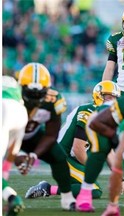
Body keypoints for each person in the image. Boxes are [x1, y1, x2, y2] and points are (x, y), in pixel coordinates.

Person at [24, 81, 121, 199]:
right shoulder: (89, 110)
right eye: (108, 98)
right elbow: (78, 148)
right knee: (94, 190)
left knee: (86, 183)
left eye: (114, 99)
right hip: (63, 157)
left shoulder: (106, 119)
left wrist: (121, 179)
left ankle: (66, 184)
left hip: (75, 159)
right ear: (98, 96)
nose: (112, 102)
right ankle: (47, 188)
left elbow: (109, 152)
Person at [14, 62, 76, 211]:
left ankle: (67, 198)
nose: (35, 98)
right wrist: (16, 153)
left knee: (59, 156)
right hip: (8, 133)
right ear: (20, 87)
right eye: (30, 93)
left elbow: (51, 134)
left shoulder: (53, 100)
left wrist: (34, 155)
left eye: (39, 93)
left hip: (32, 135)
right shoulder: (9, 97)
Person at [75, 92, 124, 212]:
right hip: (100, 122)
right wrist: (115, 137)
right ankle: (85, 194)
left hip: (123, 126)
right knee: (100, 152)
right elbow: (95, 123)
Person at [2, 75, 28, 216]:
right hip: (20, 112)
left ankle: (12, 197)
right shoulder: (12, 83)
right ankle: (9, 198)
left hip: (3, 108)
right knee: (6, 162)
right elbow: (11, 154)